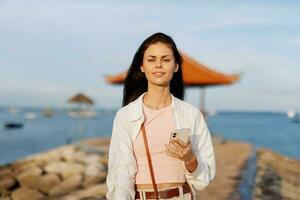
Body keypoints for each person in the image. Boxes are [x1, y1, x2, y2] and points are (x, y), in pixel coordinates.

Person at [106, 32, 215, 200]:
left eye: (166, 60)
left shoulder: (191, 114)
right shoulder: (126, 116)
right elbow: (120, 174)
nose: (158, 65)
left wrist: (190, 158)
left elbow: (204, 179)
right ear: (142, 66)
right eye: (151, 60)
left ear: (176, 66)